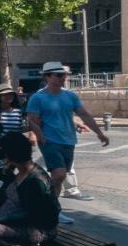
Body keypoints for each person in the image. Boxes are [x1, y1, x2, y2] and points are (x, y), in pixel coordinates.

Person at [27, 61, 108, 200]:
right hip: (50, 140)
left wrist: (99, 133)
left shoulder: (70, 96)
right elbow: (32, 120)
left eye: (64, 75)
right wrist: (39, 135)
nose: (63, 78)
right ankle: (45, 203)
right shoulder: (38, 97)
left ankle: (53, 207)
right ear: (47, 77)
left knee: (60, 177)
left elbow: (84, 115)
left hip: (69, 140)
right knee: (59, 174)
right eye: (59, 75)